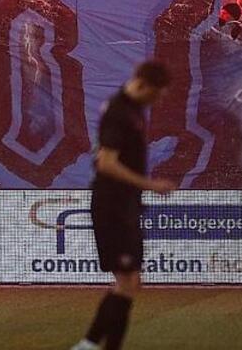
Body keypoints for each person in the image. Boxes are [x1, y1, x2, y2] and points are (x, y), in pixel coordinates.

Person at [70, 60, 176, 350]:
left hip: (124, 205)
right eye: (157, 93)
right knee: (127, 283)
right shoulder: (120, 112)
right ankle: (92, 344)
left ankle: (90, 344)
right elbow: (106, 164)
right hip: (112, 205)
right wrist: (150, 185)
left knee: (130, 283)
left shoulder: (131, 110)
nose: (158, 100)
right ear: (142, 84)